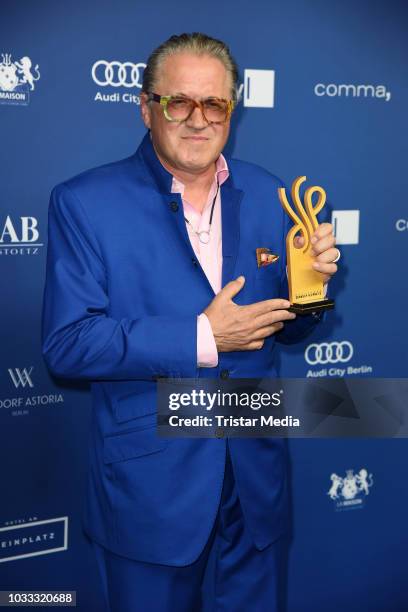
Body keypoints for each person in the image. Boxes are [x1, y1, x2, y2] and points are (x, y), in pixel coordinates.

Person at [42, 32, 339, 612]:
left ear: (233, 108)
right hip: (152, 491)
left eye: (215, 104)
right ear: (146, 105)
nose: (197, 120)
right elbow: (68, 343)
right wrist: (203, 337)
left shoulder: (272, 193)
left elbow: (290, 327)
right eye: (179, 102)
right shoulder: (85, 202)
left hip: (254, 484)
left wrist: (309, 292)